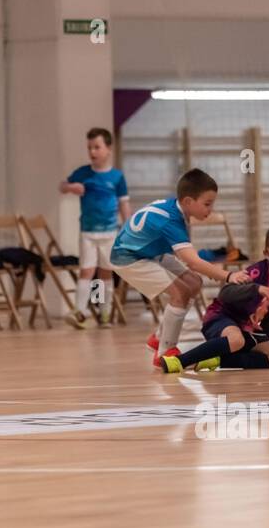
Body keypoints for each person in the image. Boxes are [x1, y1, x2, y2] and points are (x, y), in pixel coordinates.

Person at [110, 168, 251, 365]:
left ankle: (158, 338)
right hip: (129, 258)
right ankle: (165, 352)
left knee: (194, 282)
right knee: (178, 294)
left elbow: (190, 262)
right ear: (187, 202)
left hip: (148, 252)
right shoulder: (172, 221)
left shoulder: (176, 208)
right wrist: (227, 276)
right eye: (207, 204)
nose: (210, 210)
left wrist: (211, 270)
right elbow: (192, 261)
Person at [156, 225, 269, 372]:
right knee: (236, 340)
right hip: (219, 318)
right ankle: (179, 361)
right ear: (266, 253)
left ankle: (216, 358)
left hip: (245, 329)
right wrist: (256, 289)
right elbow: (226, 293)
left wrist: (263, 340)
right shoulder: (256, 272)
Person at [59, 127, 131, 328]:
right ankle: (80, 311)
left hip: (110, 232)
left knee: (105, 273)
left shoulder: (117, 177)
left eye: (97, 147)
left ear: (108, 148)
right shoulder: (82, 173)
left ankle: (104, 312)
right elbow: (62, 186)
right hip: (88, 232)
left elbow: (124, 203)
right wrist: (70, 188)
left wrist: (128, 228)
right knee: (87, 271)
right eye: (89, 147)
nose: (92, 152)